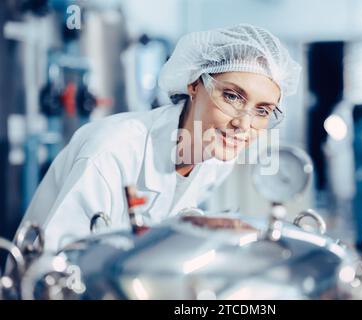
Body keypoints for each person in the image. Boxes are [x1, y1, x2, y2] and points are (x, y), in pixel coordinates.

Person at [15, 24, 301, 252]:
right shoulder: (112, 151)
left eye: (262, 110)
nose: (243, 124)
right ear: (194, 83)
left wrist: (198, 223)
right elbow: (56, 263)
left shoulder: (217, 157)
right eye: (232, 96)